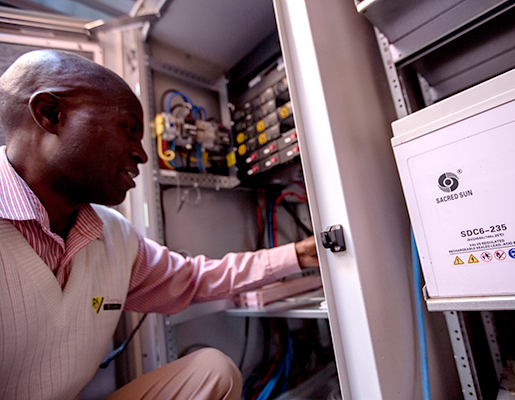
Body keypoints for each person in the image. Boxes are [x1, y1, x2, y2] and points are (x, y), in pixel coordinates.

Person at [0, 49, 318, 400]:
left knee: (212, 371)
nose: (142, 154)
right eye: (129, 129)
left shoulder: (113, 235)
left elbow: (195, 279)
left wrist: (298, 255)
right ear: (50, 113)